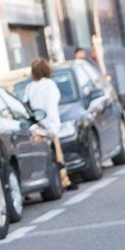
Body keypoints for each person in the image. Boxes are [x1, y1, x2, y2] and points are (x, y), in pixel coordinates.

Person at [24, 57, 74, 189]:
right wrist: (53, 127)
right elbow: (51, 106)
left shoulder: (29, 87)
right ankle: (64, 182)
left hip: (36, 127)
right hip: (49, 125)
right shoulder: (49, 85)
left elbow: (26, 106)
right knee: (57, 155)